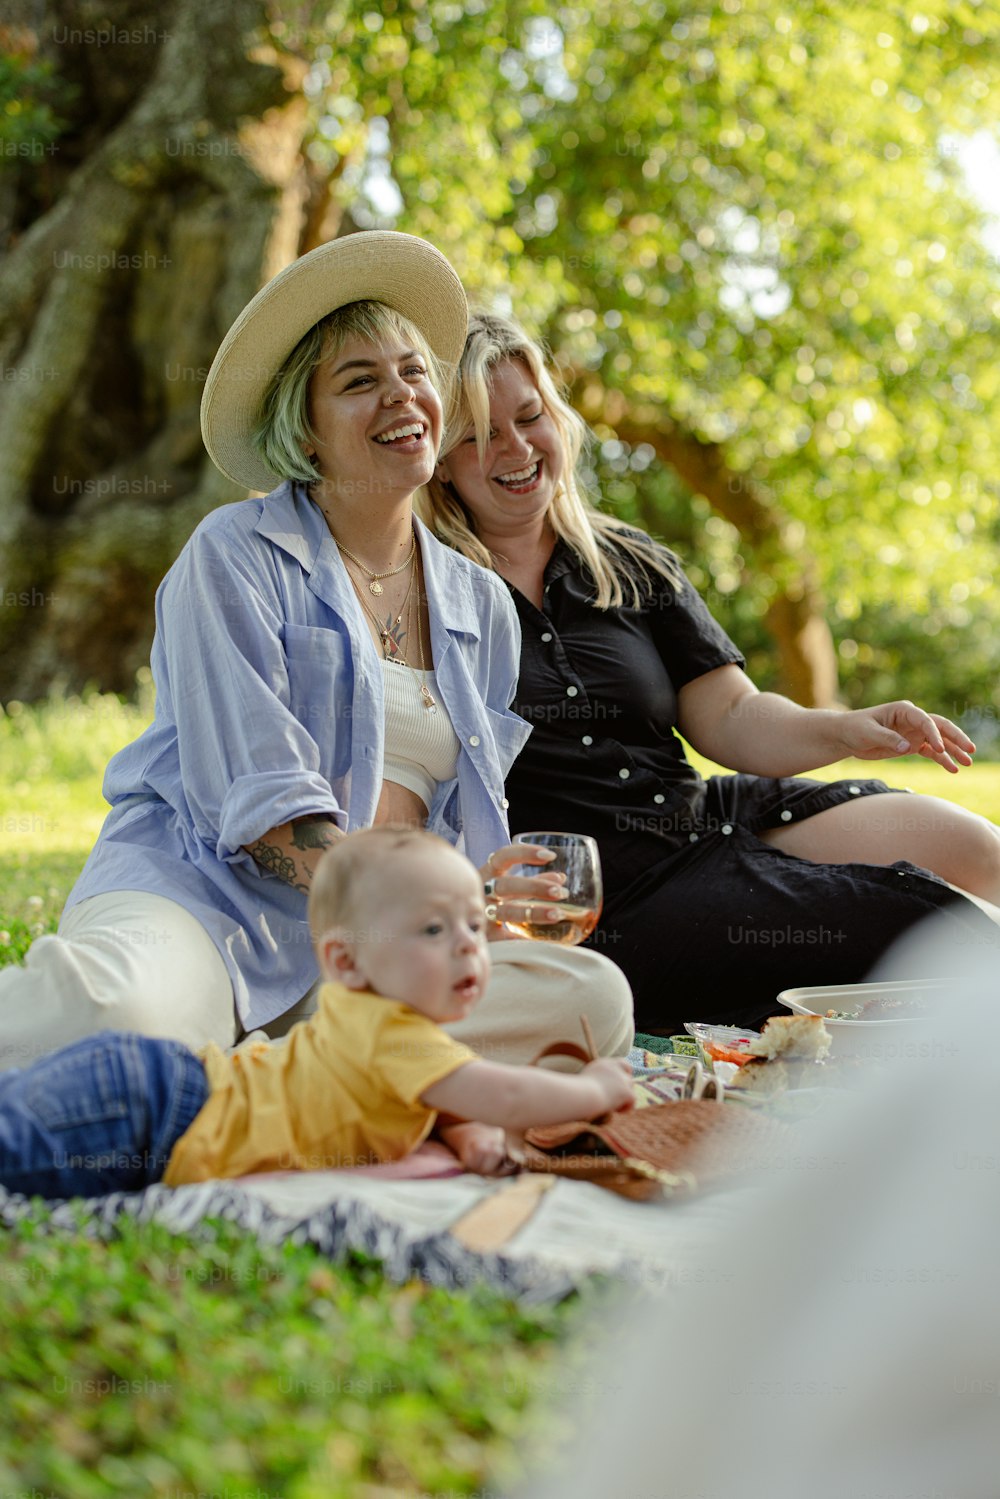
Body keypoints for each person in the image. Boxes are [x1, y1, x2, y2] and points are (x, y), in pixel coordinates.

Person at [0, 237, 633, 1073]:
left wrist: (481, 883)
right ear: (305, 426)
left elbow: (441, 825)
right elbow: (266, 818)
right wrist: (438, 900)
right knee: (113, 1015)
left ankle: (268, 1075)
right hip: (210, 904)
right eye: (359, 381)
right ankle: (264, 1063)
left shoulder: (480, 604)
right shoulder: (233, 555)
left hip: (380, 944)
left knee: (588, 1004)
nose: (402, 395)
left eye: (413, 371)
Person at [421, 310, 1000, 1033]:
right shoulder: (429, 595)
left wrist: (854, 727)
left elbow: (731, 716)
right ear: (439, 459)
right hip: (613, 892)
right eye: (477, 434)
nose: (514, 447)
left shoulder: (626, 559)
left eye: (529, 415)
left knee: (977, 850)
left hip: (703, 815)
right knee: (929, 920)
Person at [0, 829, 634, 1198]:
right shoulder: (399, 1039)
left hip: (161, 1090)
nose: (471, 944)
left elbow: (434, 1099)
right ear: (349, 962)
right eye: (435, 930)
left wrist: (465, 1134)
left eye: (476, 923)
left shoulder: (366, 1016)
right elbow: (507, 1096)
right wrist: (592, 1089)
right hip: (160, 1117)